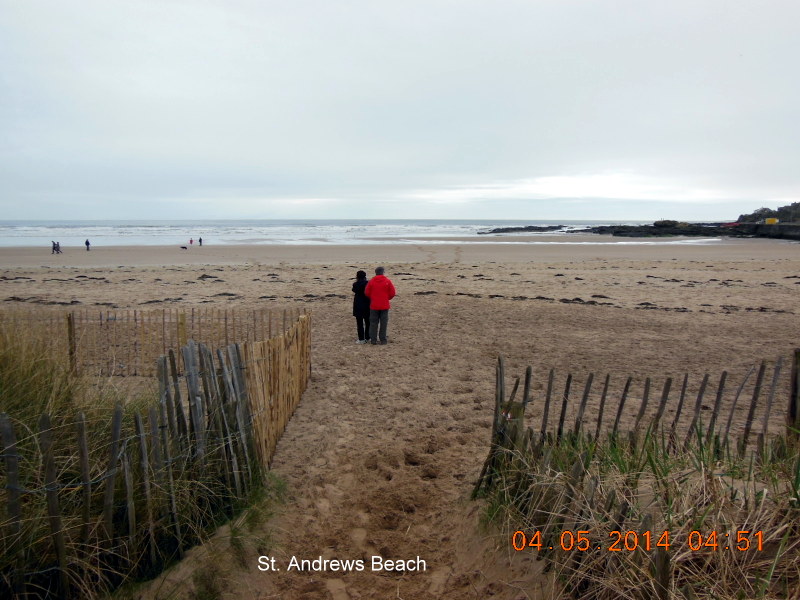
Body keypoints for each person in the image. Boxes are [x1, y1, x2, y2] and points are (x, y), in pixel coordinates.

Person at [364, 266, 396, 345]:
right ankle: (383, 340)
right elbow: (392, 293)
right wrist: (386, 298)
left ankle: (373, 340)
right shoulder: (387, 281)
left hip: (374, 305)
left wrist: (373, 297)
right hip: (384, 305)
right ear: (383, 272)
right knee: (383, 323)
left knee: (373, 323)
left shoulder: (371, 281)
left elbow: (367, 292)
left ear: (376, 272)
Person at [352, 270, 371, 344]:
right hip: (367, 304)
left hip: (358, 305)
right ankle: (368, 337)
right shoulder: (368, 284)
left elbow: (354, 290)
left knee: (359, 323)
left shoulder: (355, 284)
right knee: (368, 322)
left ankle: (361, 339)